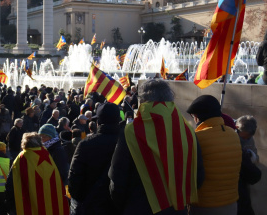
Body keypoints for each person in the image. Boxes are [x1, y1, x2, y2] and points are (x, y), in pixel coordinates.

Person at [109, 79, 204, 215]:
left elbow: (117, 179)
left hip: (138, 208)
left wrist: (125, 206)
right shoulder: (187, 131)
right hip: (176, 210)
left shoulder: (131, 132)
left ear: (143, 102)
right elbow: (198, 176)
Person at [186, 95, 242, 215]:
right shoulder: (233, 135)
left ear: (196, 117)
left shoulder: (197, 138)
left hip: (205, 205)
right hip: (231, 204)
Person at [69, 102, 121, 214]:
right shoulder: (127, 143)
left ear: (99, 122)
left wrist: (83, 200)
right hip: (118, 207)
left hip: (90, 207)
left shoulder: (86, 145)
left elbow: (74, 179)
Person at [5, 132, 69, 214]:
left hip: (27, 203)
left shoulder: (22, 157)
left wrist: (10, 204)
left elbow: (11, 183)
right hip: (49, 204)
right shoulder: (47, 154)